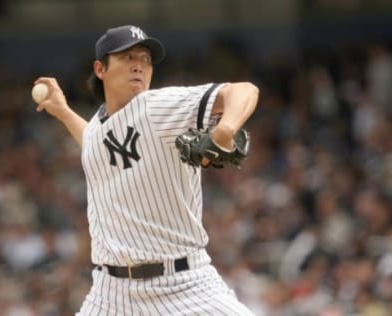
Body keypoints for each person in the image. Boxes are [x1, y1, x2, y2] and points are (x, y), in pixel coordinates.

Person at [34, 25, 259, 315]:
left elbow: (244, 90)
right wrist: (64, 112)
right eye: (128, 58)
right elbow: (94, 141)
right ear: (100, 69)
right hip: (111, 294)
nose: (139, 66)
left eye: (145, 59)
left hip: (184, 285)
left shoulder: (155, 108)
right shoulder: (101, 123)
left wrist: (225, 130)